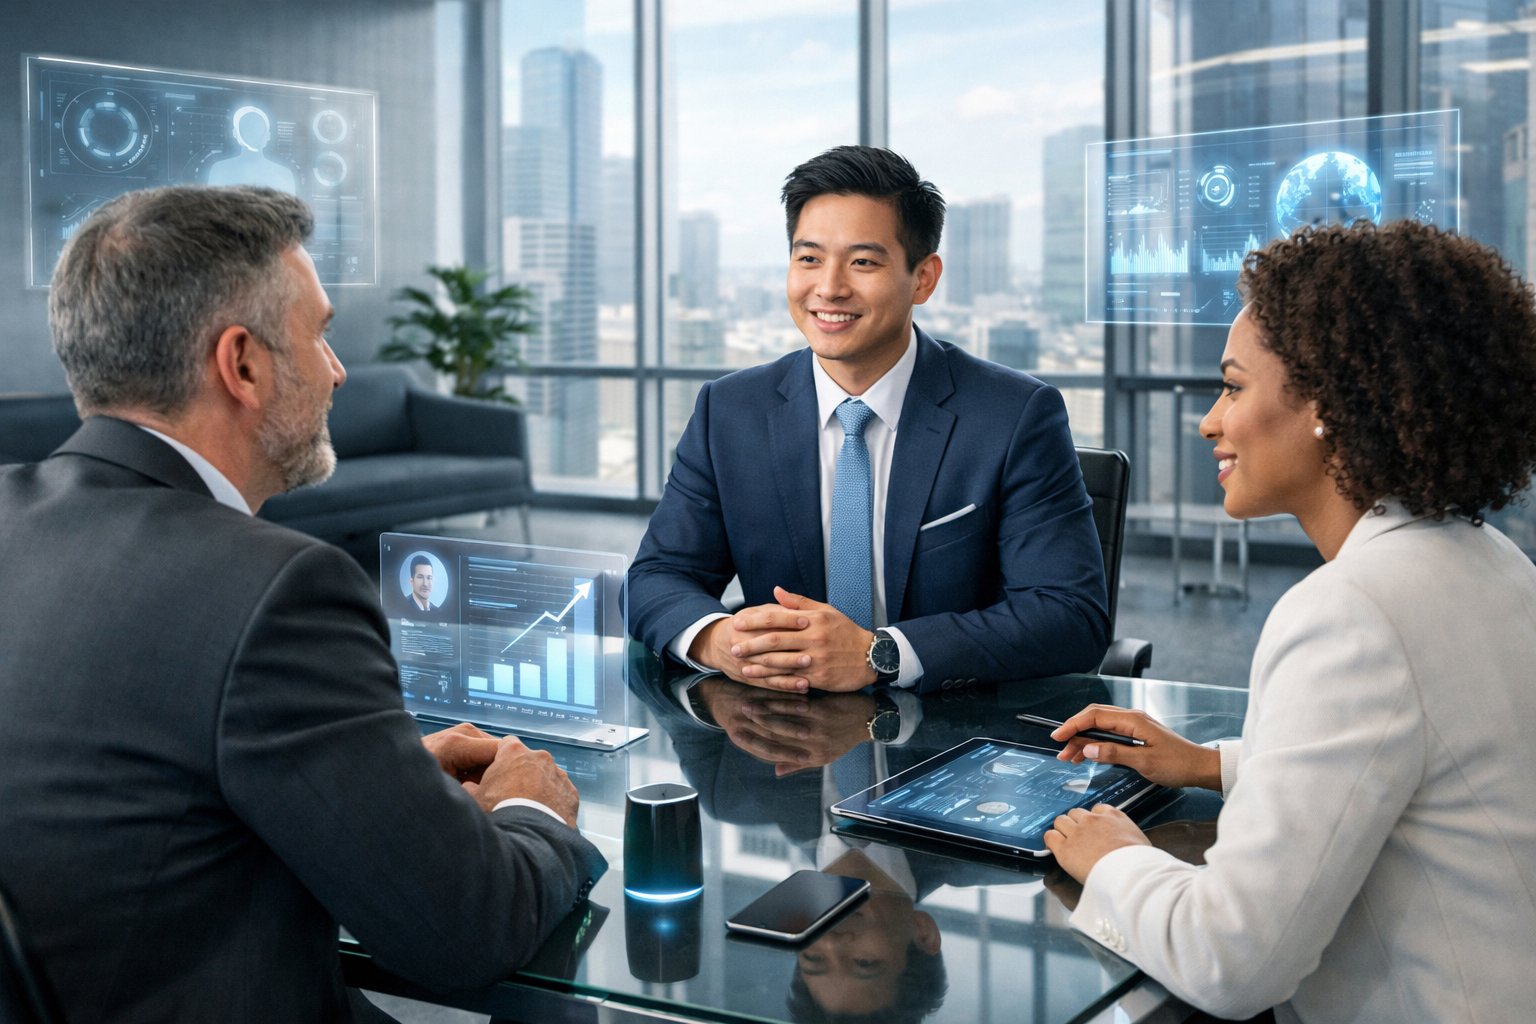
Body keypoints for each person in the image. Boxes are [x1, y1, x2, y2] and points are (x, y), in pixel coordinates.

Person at [0, 185, 606, 1023]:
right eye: (320, 334)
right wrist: (531, 805)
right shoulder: (279, 588)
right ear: (242, 363)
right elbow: (473, 930)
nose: (337, 370)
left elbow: (116, 788)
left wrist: (375, 781)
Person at [1041, 220, 1536, 1022]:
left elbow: (1232, 962)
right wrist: (1214, 765)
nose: (1209, 421)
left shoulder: (1351, 612)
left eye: (1233, 388)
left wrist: (1115, 862)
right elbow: (1427, 771)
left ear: (1331, 406)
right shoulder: (1489, 560)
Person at [627, 145, 1108, 694]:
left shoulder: (1014, 416)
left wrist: (880, 654)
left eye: (863, 262)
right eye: (808, 258)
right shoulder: (730, 411)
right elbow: (656, 578)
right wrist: (720, 640)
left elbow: (1071, 617)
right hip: (779, 744)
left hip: (951, 735)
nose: (829, 288)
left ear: (923, 278)